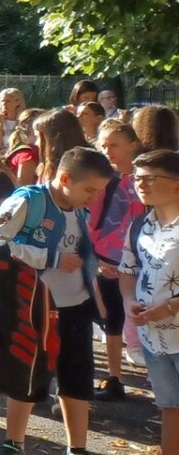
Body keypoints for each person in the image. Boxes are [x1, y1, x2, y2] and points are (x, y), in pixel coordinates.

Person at [0, 145, 114, 455]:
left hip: (76, 307)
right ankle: (13, 445)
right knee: (27, 373)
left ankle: (79, 452)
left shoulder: (79, 209)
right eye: (89, 190)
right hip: (33, 307)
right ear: (65, 177)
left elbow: (80, 253)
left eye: (99, 192)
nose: (94, 199)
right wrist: (49, 257)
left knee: (76, 378)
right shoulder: (29, 200)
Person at [119, 149, 179, 455]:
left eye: (149, 178)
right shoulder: (140, 224)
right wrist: (129, 303)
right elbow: (128, 271)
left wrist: (171, 306)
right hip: (154, 335)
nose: (140, 184)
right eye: (136, 178)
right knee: (170, 404)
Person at [90, 118, 146, 400]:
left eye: (114, 145)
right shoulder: (103, 179)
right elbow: (90, 220)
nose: (108, 150)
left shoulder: (146, 177)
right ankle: (115, 378)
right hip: (108, 257)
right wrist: (97, 259)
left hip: (144, 258)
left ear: (132, 145)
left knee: (144, 314)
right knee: (112, 318)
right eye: (104, 145)